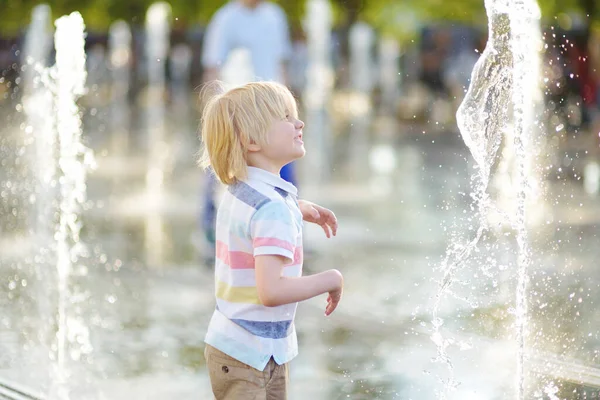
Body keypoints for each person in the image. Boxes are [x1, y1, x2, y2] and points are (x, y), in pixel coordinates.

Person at [199, 81, 343, 399]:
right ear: (252, 141)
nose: (299, 123)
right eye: (286, 117)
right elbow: (272, 291)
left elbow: (253, 221)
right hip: (252, 356)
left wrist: (299, 209)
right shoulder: (271, 210)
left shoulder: (243, 192)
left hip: (235, 346)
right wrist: (329, 279)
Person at [199, 0, 297, 251]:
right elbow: (213, 69)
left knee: (282, 168)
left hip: (273, 112)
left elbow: (281, 64)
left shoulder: (275, 16)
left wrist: (289, 109)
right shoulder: (226, 18)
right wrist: (216, 118)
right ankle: (214, 234)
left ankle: (286, 228)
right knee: (223, 169)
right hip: (239, 113)